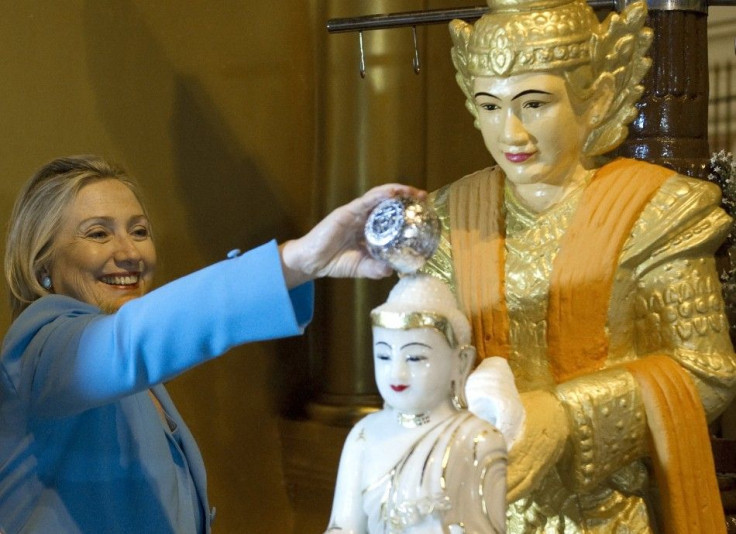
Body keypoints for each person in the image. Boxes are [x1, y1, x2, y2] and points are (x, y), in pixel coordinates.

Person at [419, 0, 736, 532]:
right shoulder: (451, 217)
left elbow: (704, 371)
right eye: (490, 107)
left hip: (609, 509)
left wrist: (565, 417)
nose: (511, 134)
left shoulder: (657, 212)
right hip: (479, 498)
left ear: (595, 98)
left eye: (534, 103)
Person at [0, 154, 424, 534]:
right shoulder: (40, 347)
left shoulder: (142, 377)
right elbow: (130, 341)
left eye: (139, 230)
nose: (130, 252)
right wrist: (295, 260)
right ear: (43, 268)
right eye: (98, 234)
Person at [324, 274, 508, 534]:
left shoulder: (477, 440)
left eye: (415, 358)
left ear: (461, 362)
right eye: (384, 355)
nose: (396, 373)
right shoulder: (363, 436)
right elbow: (343, 527)